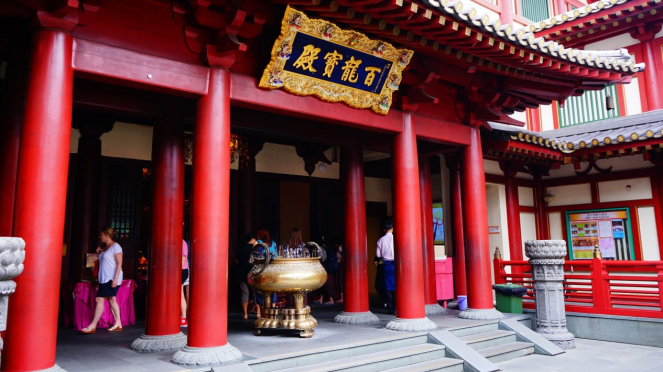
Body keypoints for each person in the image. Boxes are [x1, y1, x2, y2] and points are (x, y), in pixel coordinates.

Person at [81, 227, 124, 333]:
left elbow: (119, 263)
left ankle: (92, 326)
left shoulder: (116, 246)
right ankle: (118, 323)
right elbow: (104, 263)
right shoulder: (104, 248)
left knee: (99, 300)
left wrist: (116, 278)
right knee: (111, 300)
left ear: (106, 235)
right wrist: (99, 254)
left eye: (101, 235)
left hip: (111, 278)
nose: (100, 237)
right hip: (104, 278)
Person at [374, 221, 395, 315]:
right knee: (399, 285)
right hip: (397, 264)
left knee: (388, 288)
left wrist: (377, 262)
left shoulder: (380, 240)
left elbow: (379, 255)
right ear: (392, 228)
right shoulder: (396, 238)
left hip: (386, 263)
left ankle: (390, 308)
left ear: (384, 230)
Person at [238, 232, 260, 320]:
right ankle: (258, 313)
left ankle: (245, 314)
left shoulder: (240, 248)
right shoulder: (254, 248)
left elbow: (237, 260)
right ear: (253, 239)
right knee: (256, 292)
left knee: (244, 293)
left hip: (241, 272)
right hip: (252, 273)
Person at [314, 237, 338, 305]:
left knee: (327, 283)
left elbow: (322, 258)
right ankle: (320, 299)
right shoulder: (328, 247)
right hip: (328, 266)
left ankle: (331, 300)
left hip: (325, 266)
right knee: (323, 283)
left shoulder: (320, 248)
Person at [180, 239, 189, 327]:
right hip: (177, 270)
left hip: (180, 270)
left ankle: (183, 319)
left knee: (180, 294)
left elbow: (182, 260)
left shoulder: (182, 242)